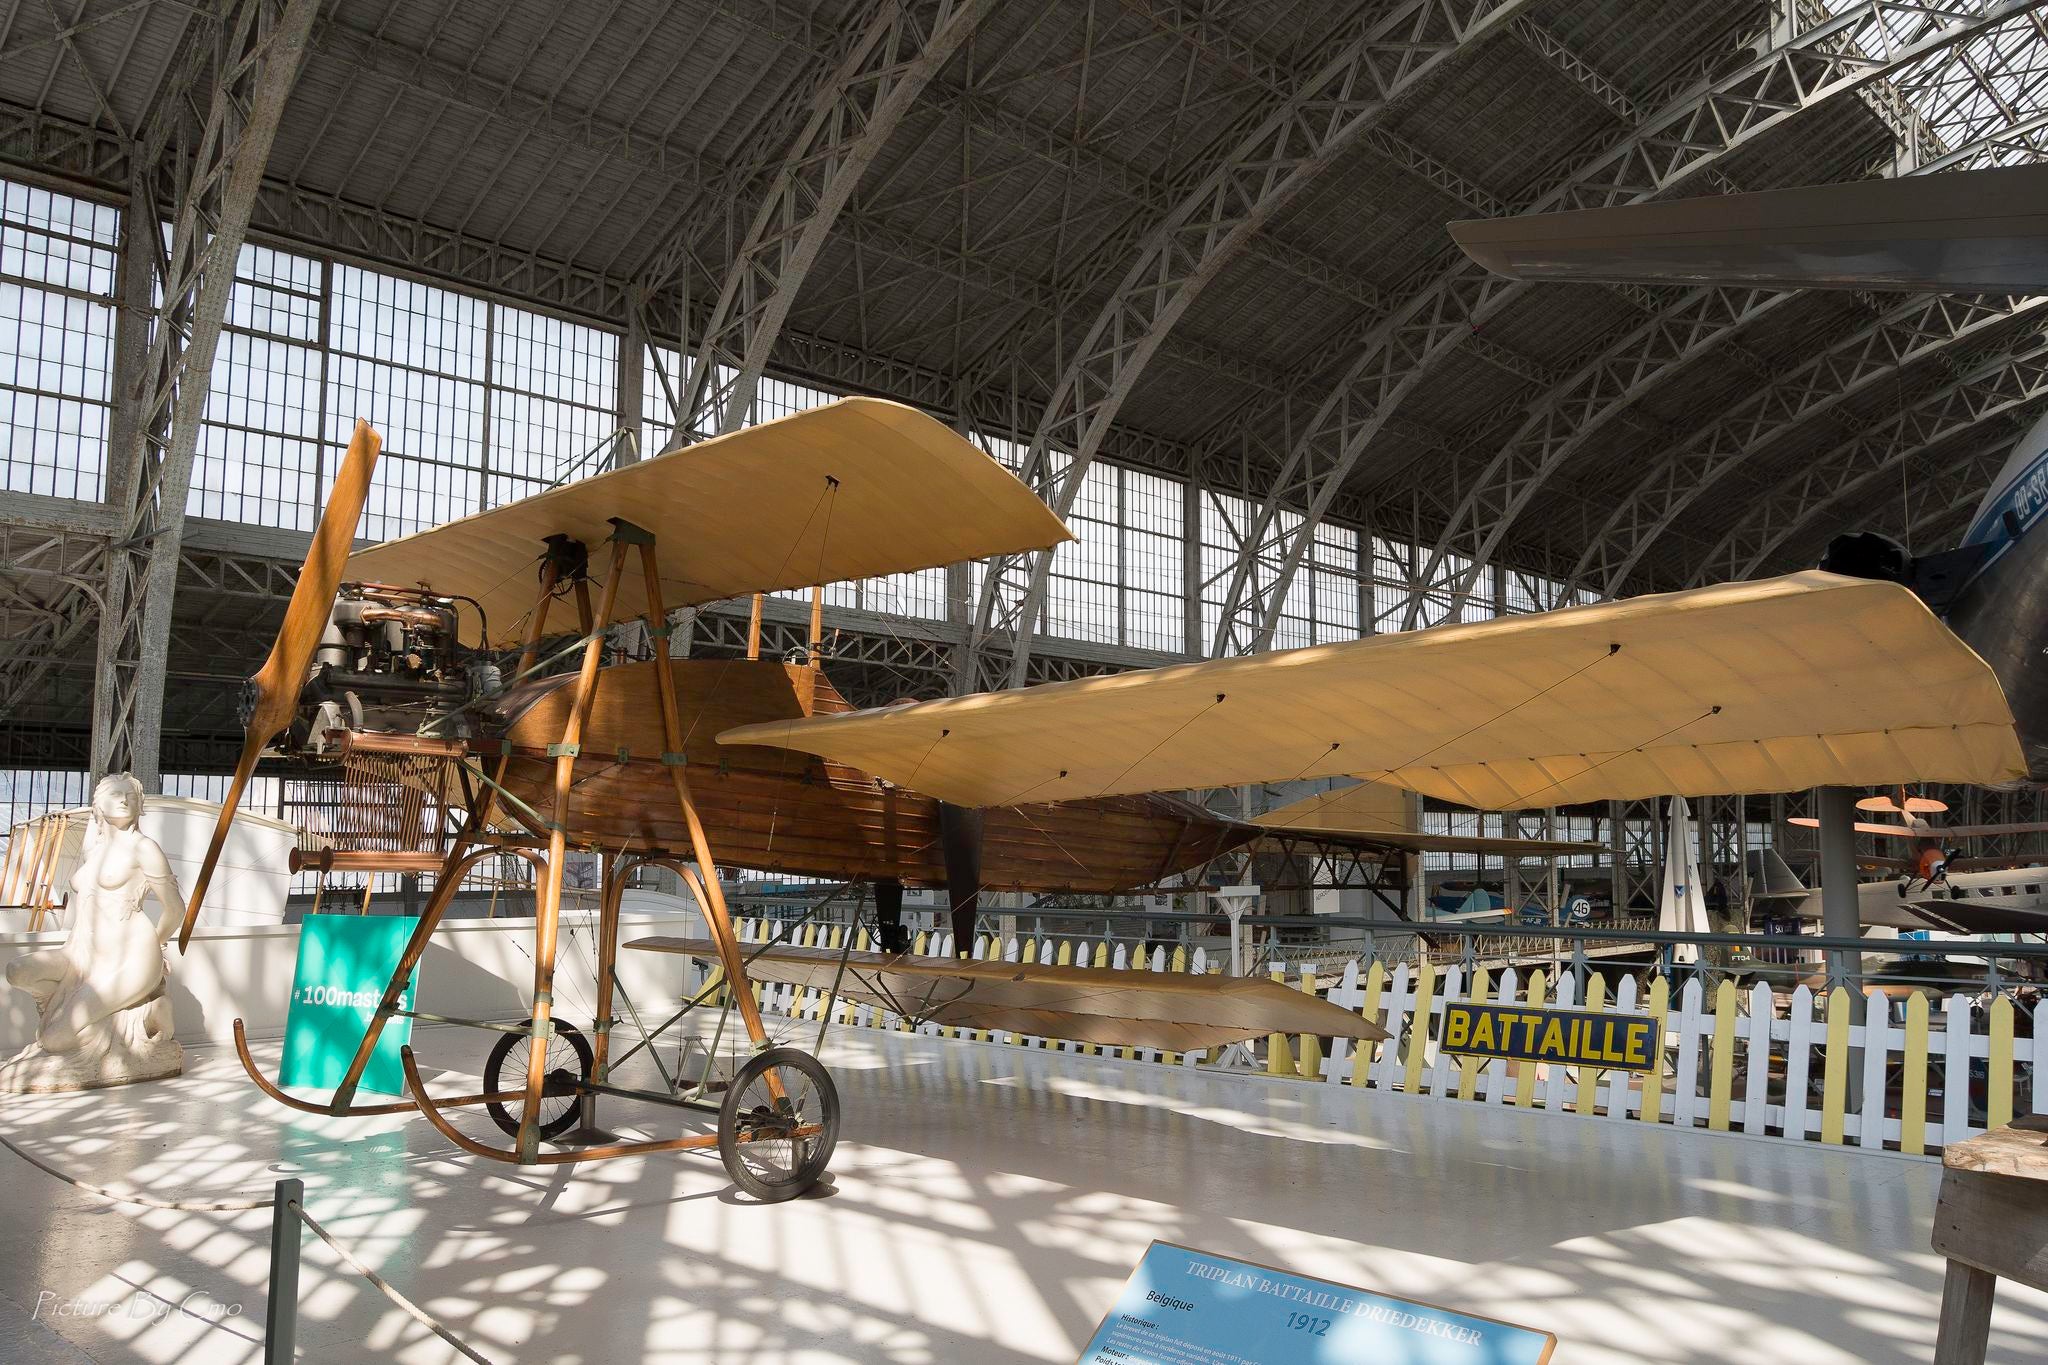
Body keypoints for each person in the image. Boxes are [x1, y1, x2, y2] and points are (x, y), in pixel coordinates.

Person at [4, 773, 183, 1071]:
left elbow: (175, 909)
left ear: (140, 806)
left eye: (132, 796)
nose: (125, 800)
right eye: (115, 794)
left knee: (53, 1039)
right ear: (98, 804)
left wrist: (157, 944)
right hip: (82, 952)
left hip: (130, 957)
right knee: (18, 971)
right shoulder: (95, 848)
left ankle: (149, 1013)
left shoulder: (144, 848)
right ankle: (74, 1013)